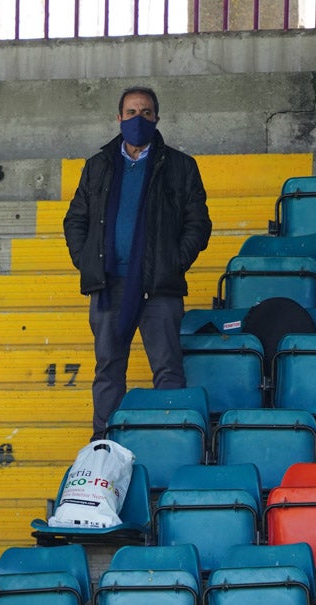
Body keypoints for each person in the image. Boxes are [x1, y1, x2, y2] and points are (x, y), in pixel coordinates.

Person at [63, 85, 212, 441]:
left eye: (145, 112)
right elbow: (75, 219)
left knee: (168, 370)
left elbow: (198, 223)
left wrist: (173, 263)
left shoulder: (180, 166)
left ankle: (174, 440)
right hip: (108, 286)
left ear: (157, 117)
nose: (138, 119)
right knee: (108, 370)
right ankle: (105, 443)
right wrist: (87, 261)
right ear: (119, 118)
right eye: (131, 113)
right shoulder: (97, 166)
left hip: (158, 287)